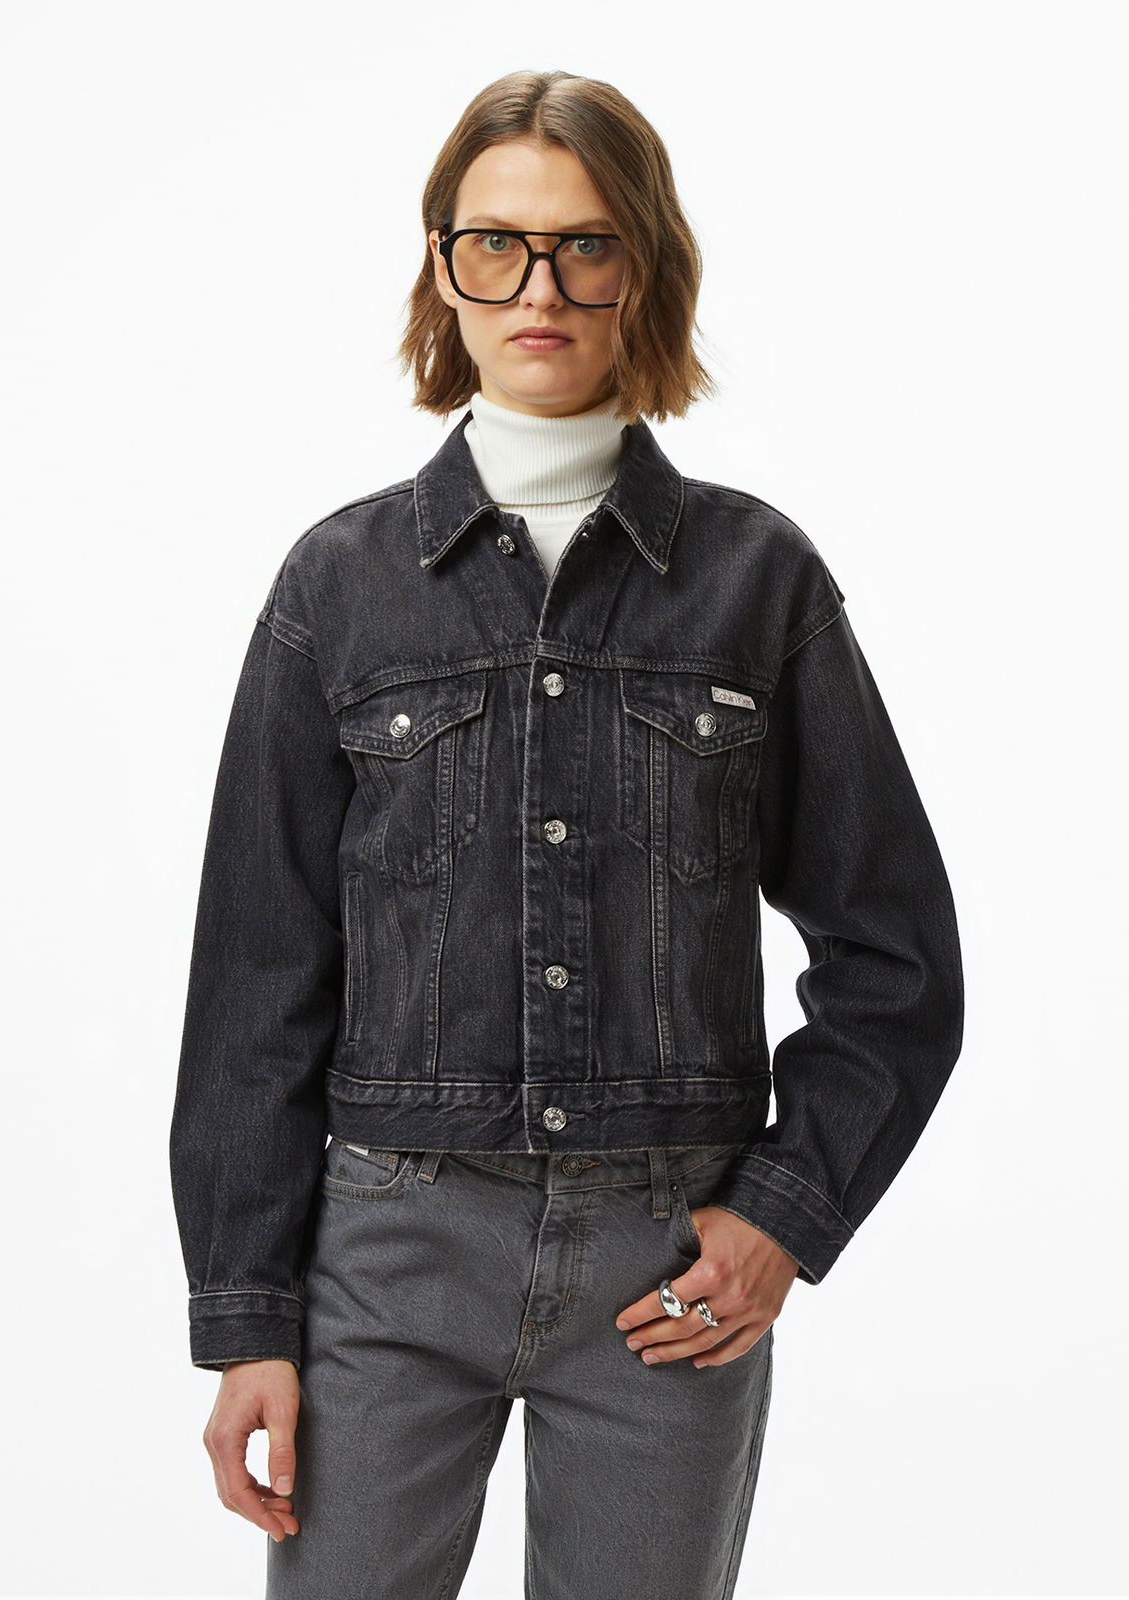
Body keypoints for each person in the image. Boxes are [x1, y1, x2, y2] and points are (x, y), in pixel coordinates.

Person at [169, 68, 964, 1600]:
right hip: (386, 1259)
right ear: (442, 267)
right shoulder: (339, 587)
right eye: (496, 245)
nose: (538, 289)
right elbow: (259, 982)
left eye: (585, 245)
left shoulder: (758, 583)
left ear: (644, 266)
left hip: (669, 1272)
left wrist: (781, 1218)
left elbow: (897, 959)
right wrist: (247, 1315)